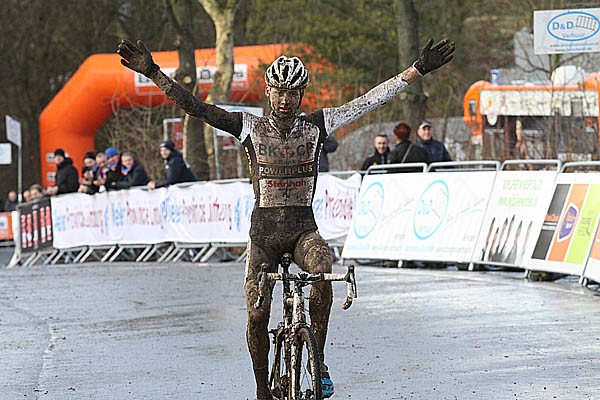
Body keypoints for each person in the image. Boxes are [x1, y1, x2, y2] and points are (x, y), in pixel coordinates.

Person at [118, 36, 454, 399]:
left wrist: (417, 70)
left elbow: (370, 100)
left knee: (323, 267)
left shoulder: (318, 125)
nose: (285, 100)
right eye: (279, 92)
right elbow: (196, 107)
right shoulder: (248, 126)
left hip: (302, 233)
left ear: (302, 93)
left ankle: (318, 360)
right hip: (263, 237)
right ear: (268, 91)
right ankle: (263, 388)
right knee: (258, 315)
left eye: (293, 93)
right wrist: (153, 72)